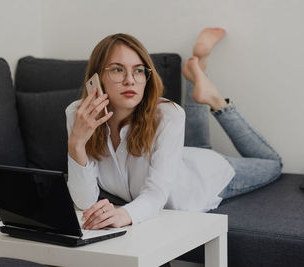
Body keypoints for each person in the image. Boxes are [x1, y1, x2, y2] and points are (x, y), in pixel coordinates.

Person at [65, 28, 282, 230]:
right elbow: (84, 202)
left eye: (138, 70)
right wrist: (76, 144)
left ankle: (216, 101)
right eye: (117, 69)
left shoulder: (168, 115)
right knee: (200, 145)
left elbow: (156, 195)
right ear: (96, 77)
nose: (130, 80)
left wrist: (123, 215)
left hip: (202, 177)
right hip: (179, 158)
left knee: (273, 164)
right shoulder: (78, 115)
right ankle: (198, 72)